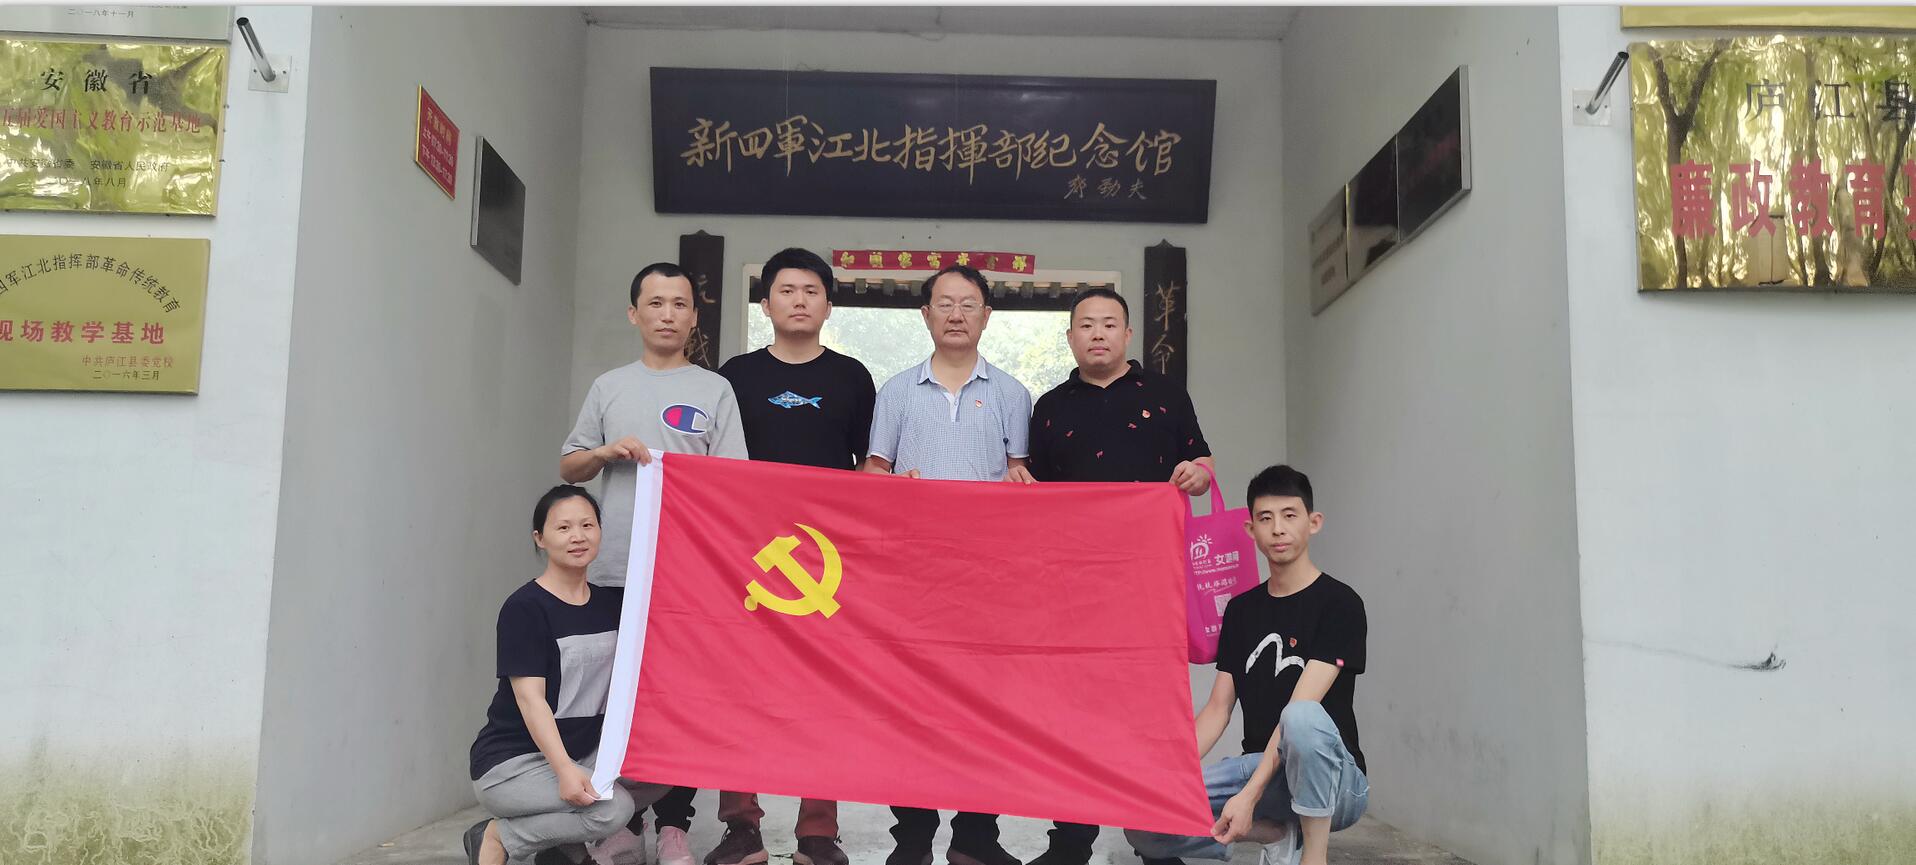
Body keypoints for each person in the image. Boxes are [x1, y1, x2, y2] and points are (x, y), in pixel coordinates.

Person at [561, 262, 748, 865]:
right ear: (634, 313)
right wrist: (605, 453)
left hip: (685, 574)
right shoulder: (609, 386)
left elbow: (734, 481)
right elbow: (569, 466)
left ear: (694, 317)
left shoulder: (715, 390)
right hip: (615, 568)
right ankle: (621, 820)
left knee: (679, 699)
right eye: (656, 303)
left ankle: (674, 824)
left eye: (679, 304)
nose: (667, 314)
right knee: (615, 698)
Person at [1020, 286, 1214, 865]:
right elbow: (1036, 497)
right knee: (1071, 713)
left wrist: (1197, 474)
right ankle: (1070, 841)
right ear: (1070, 337)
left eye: (1109, 323)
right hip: (1072, 587)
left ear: (1128, 334)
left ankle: (1157, 838)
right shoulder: (1050, 407)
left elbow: (1201, 462)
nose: (1098, 333)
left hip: (1150, 583)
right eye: (1086, 324)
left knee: (1151, 711)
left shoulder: (1165, 395)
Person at [705, 248, 873, 865]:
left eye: (811, 291)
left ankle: (818, 831)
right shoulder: (735, 376)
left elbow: (869, 468)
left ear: (828, 305)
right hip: (748, 554)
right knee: (739, 687)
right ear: (765, 303)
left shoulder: (852, 377)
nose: (799, 300)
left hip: (826, 558)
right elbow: (714, 467)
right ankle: (741, 827)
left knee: (823, 690)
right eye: (786, 290)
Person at [863, 263, 1033, 865]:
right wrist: (890, 488)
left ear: (986, 316)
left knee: (984, 709)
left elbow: (1020, 475)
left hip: (987, 579)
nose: (956, 314)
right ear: (925, 314)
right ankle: (911, 839)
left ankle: (975, 837)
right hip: (911, 579)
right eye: (944, 303)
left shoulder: (1012, 393)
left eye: (968, 304)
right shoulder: (896, 391)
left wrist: (1017, 484)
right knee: (910, 708)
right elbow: (872, 476)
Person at [1124, 466, 1369, 865]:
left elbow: (1299, 713)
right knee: (1143, 816)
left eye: (1289, 515)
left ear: (1313, 522)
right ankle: (1276, 834)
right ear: (1250, 529)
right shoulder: (1241, 611)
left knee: (1301, 717)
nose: (1278, 529)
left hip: (1335, 780)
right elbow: (1218, 709)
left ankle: (1315, 855)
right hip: (1262, 770)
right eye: (1265, 518)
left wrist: (1249, 796)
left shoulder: (1340, 603)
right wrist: (1165, 775)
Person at [464, 486, 673, 865]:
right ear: (540, 539)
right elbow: (530, 700)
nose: (578, 536)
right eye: (563, 528)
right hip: (514, 764)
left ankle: (562, 847)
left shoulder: (613, 603)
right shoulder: (525, 608)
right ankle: (498, 836)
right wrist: (563, 770)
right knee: (613, 810)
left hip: (583, 755)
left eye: (587, 525)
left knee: (666, 769)